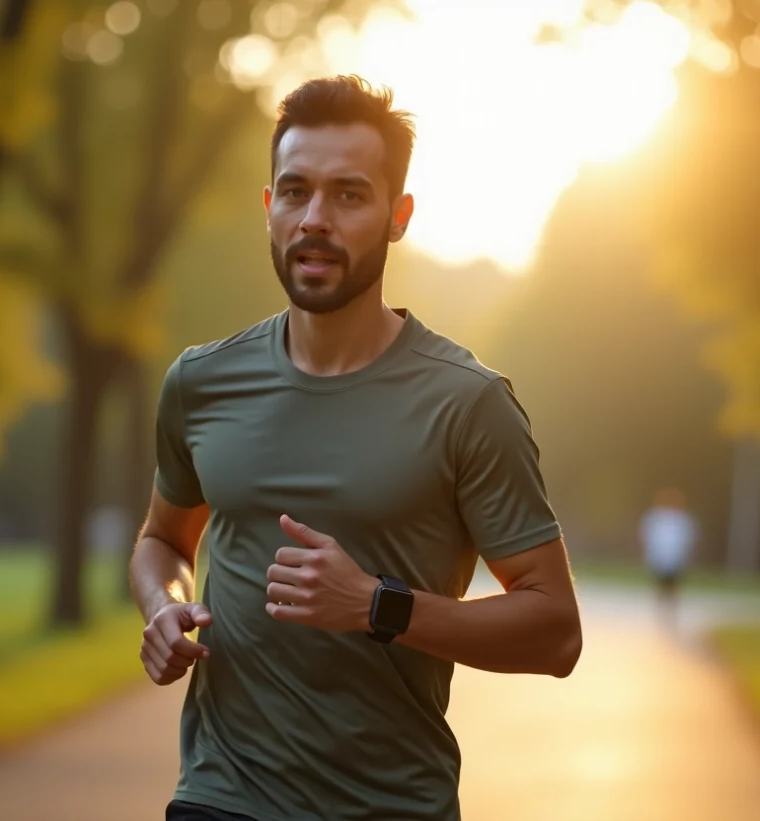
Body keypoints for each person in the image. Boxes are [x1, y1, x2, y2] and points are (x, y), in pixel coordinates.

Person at [129, 75, 582, 821]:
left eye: (348, 195)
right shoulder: (201, 381)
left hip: (390, 805)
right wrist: (163, 606)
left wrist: (379, 605)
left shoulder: (467, 402)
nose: (315, 218)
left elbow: (555, 630)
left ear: (398, 217)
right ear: (267, 206)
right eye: (296, 190)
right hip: (222, 795)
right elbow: (163, 539)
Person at [638, 487, 698, 631]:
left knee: (673, 589)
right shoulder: (655, 518)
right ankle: (661, 613)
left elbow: (689, 541)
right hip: (659, 560)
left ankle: (670, 613)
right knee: (660, 588)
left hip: (675, 561)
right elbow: (646, 539)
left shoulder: (682, 519)